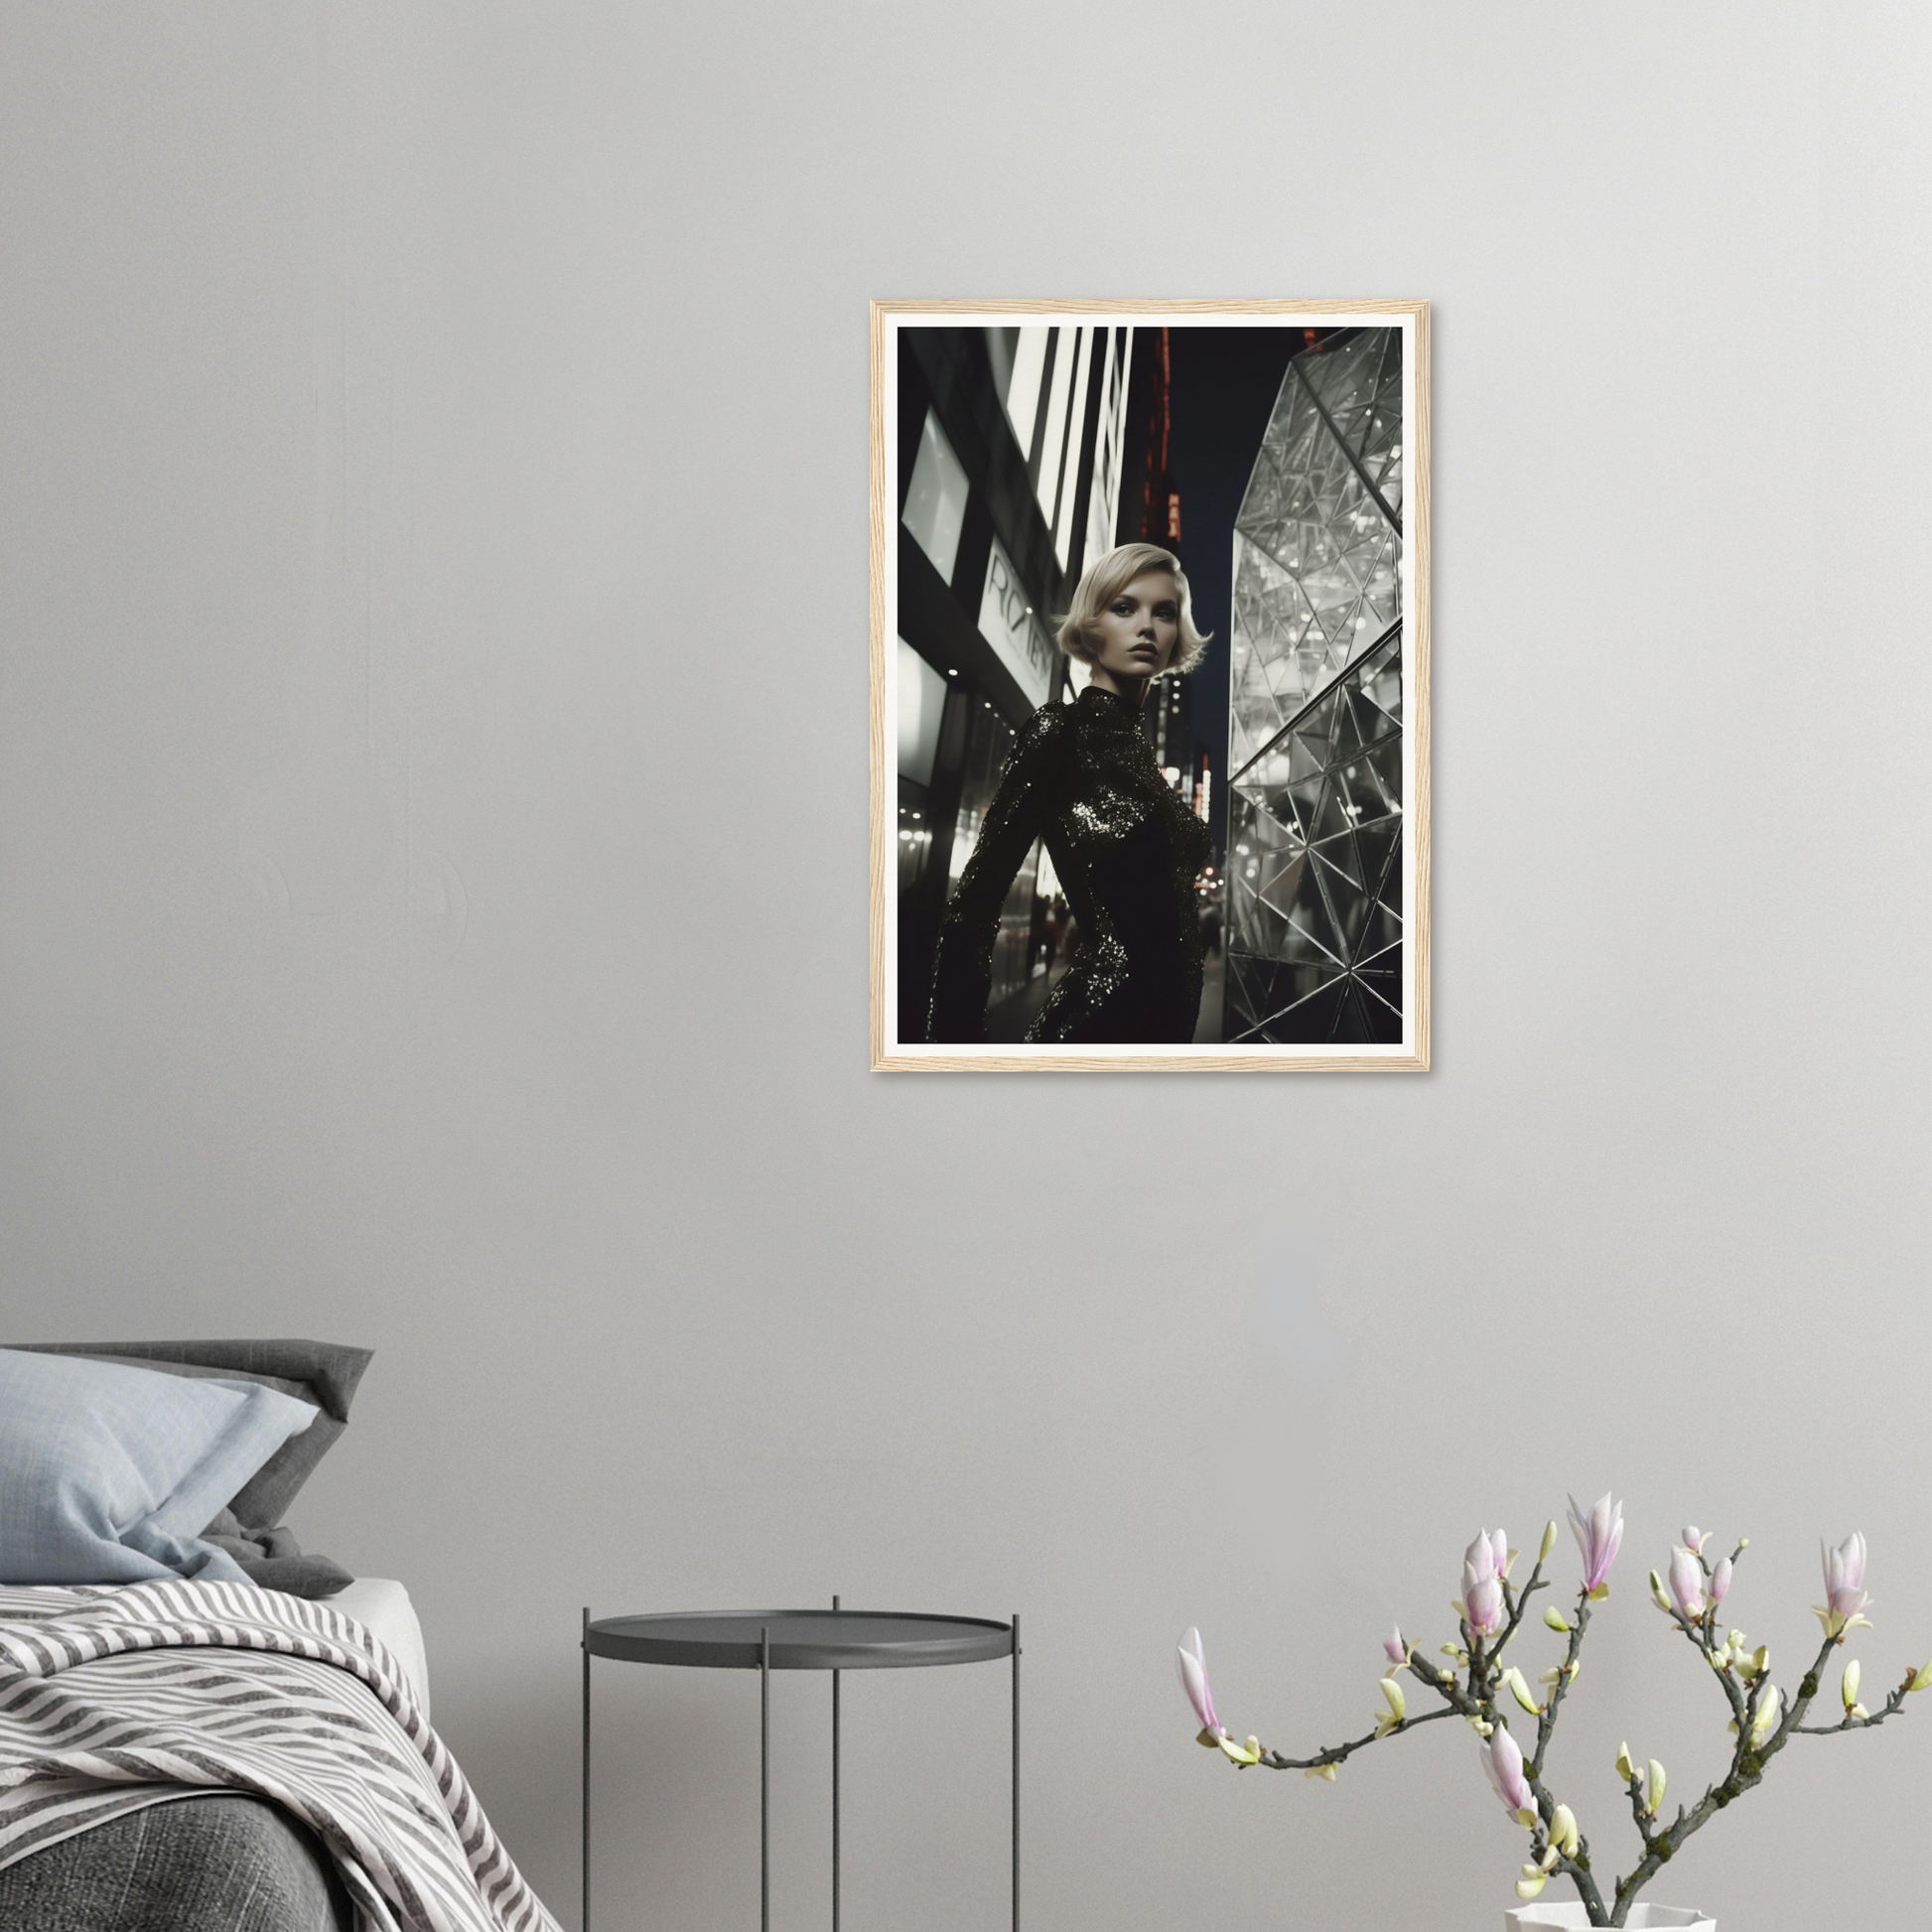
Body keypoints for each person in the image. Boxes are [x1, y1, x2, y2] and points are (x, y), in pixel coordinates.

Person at [926, 542, 1212, 1045]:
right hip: (1095, 1032)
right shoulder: (1061, 733)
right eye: (1124, 607)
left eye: (1163, 613)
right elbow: (972, 908)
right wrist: (955, 1060)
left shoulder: (1146, 763)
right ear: (1092, 623)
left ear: (1175, 635)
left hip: (1164, 1048)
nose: (1146, 626)